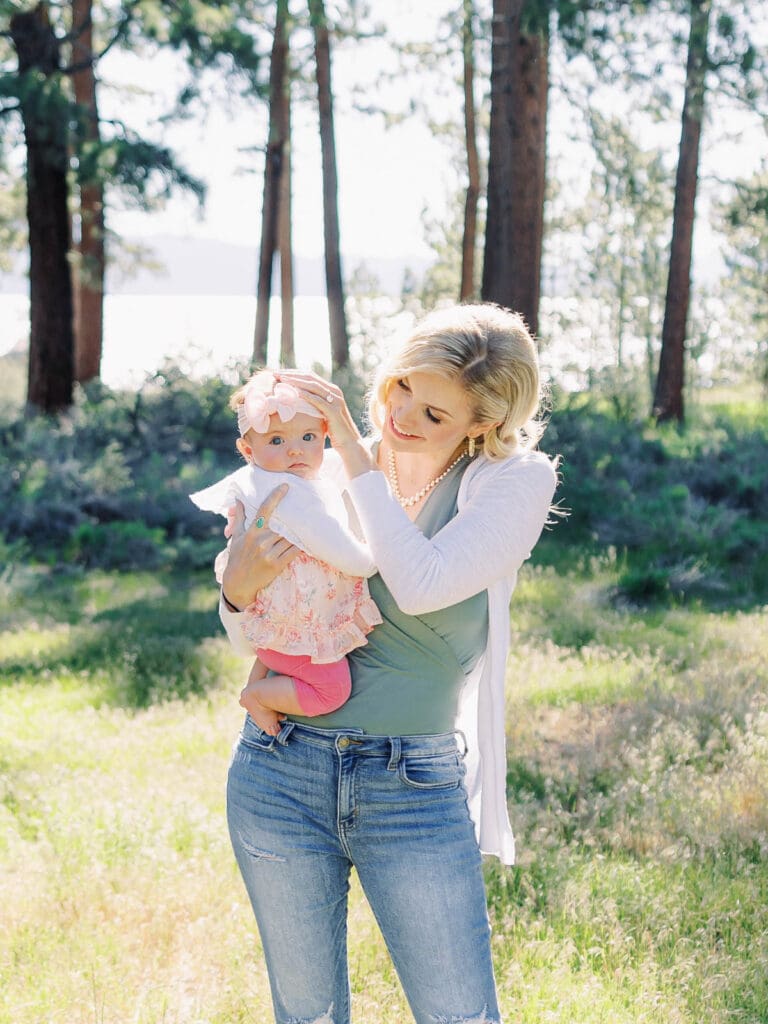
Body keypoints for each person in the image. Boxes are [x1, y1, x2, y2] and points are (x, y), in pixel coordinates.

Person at [218, 303, 558, 1024]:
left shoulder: (511, 483)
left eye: (435, 413)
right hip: (280, 771)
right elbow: (252, 629)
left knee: (458, 1014)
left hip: (412, 784)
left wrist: (353, 451)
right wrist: (235, 592)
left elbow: (421, 582)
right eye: (403, 387)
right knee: (306, 1015)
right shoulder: (314, 464)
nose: (403, 416)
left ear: (482, 424)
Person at [191, 371, 381, 735]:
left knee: (281, 653)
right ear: (248, 451)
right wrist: (371, 559)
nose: (295, 449)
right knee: (332, 690)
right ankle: (259, 697)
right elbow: (342, 551)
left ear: (325, 436)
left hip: (276, 624)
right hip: (300, 627)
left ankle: (260, 684)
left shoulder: (272, 479)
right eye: (276, 440)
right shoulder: (289, 494)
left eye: (308, 437)